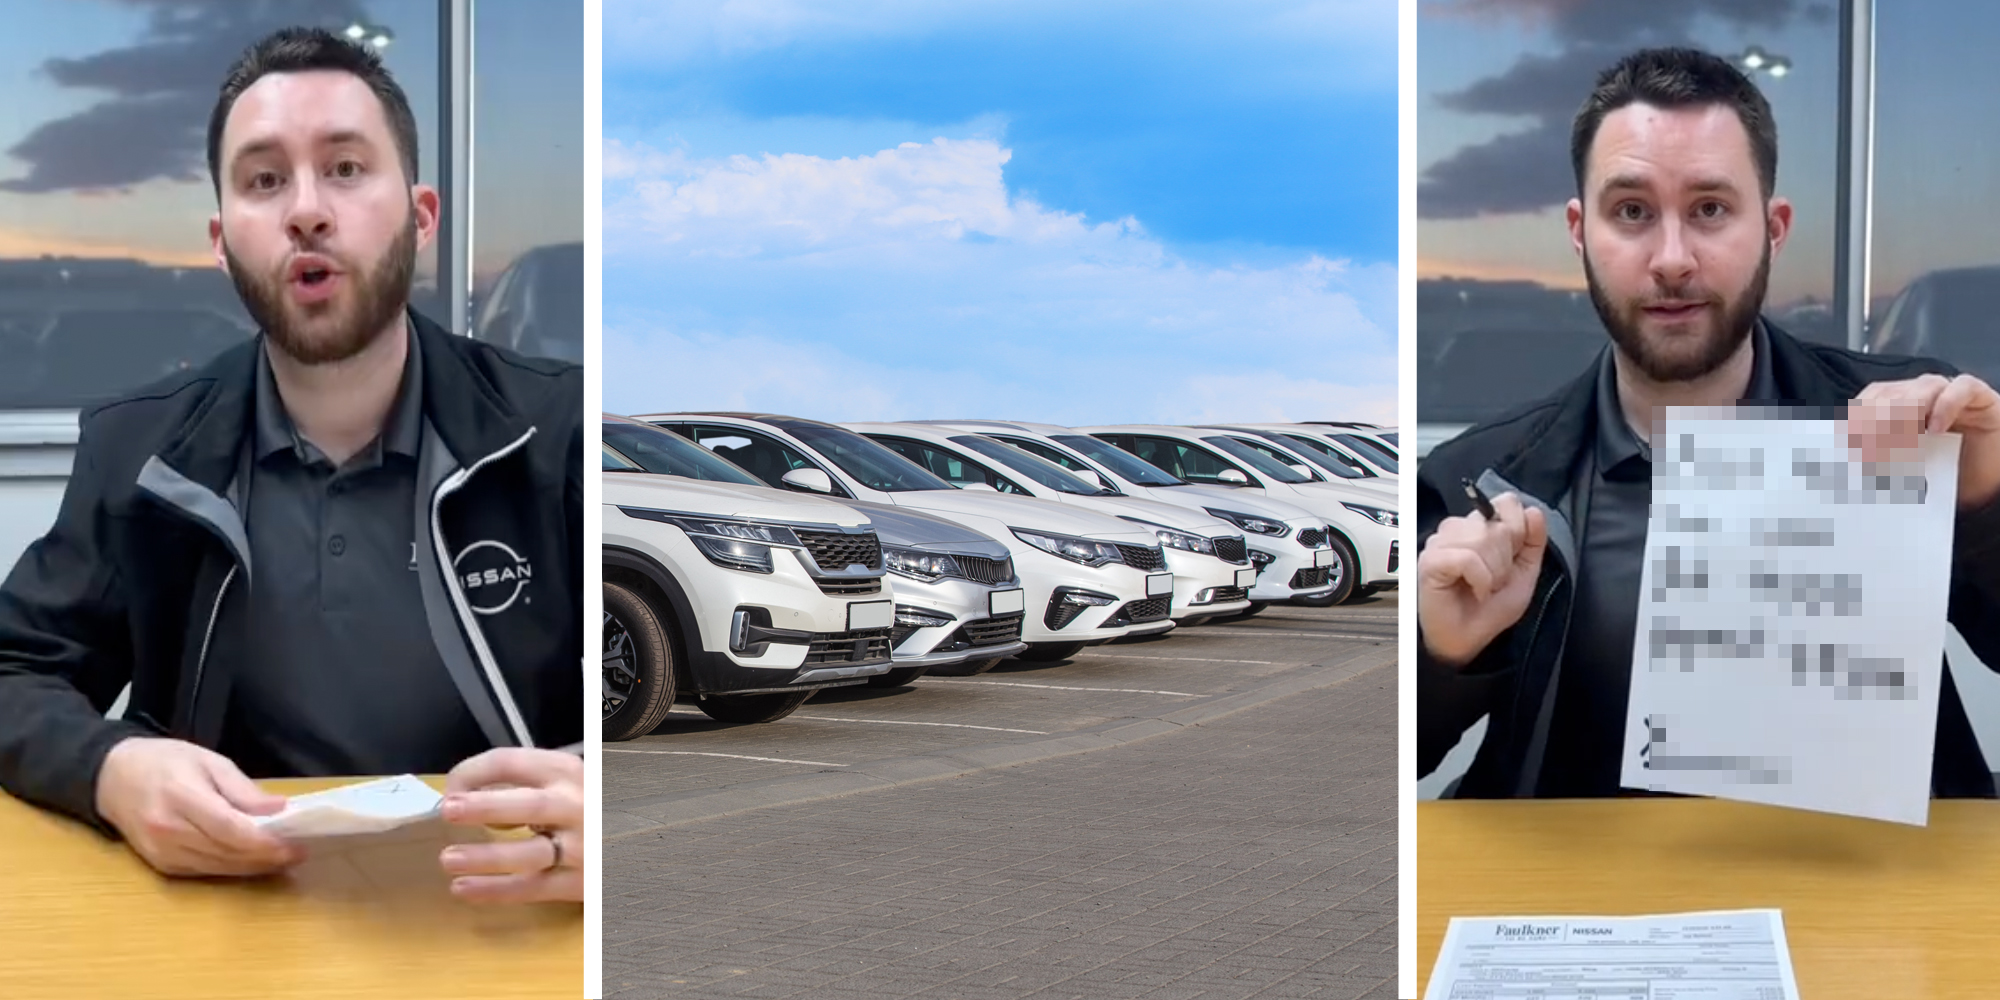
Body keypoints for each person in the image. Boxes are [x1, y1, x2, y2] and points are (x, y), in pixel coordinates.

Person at [0, 27, 584, 903]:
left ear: (422, 218)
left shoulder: (554, 433)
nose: (305, 210)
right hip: (237, 913)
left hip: (503, 912)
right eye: (264, 180)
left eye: (345, 169)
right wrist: (109, 768)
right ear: (221, 238)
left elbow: (673, 709)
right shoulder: (143, 455)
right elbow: (13, 671)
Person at [1417, 47, 2000, 799]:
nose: (1671, 259)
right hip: (1587, 900)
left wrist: (1986, 504)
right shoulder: (1490, 481)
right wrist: (1444, 660)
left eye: (1710, 210)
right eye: (1631, 212)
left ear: (1775, 228)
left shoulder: (1916, 430)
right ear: (1579, 231)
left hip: (1863, 894)